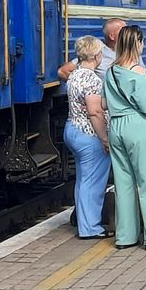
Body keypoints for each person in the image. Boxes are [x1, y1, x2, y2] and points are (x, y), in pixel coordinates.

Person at [104, 26, 146, 251]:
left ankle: (125, 236)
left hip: (116, 126)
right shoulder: (139, 72)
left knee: (123, 183)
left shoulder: (111, 71)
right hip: (136, 125)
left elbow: (104, 103)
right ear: (138, 43)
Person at [63, 36, 112, 239]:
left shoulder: (74, 75)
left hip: (72, 128)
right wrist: (104, 138)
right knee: (93, 183)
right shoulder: (91, 79)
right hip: (89, 133)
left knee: (84, 181)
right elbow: (95, 112)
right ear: (97, 55)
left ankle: (84, 223)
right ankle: (90, 228)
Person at [58, 18, 126, 81]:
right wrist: (87, 86)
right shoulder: (97, 51)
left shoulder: (131, 50)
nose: (128, 34)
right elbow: (62, 71)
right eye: (124, 31)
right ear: (112, 36)